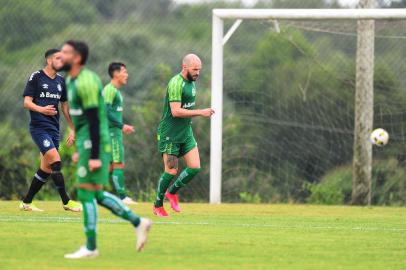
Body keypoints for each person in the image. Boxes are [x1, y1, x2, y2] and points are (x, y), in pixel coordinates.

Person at [61, 40, 151, 259]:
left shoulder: (87, 81)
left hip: (97, 144)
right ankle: (139, 223)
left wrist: (92, 154)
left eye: (65, 53)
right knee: (97, 194)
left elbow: (94, 118)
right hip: (88, 143)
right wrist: (81, 147)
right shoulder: (70, 81)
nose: (61, 56)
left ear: (78, 58)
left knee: (85, 191)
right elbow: (81, 120)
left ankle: (91, 247)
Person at [153, 54, 214, 217]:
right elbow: (176, 111)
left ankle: (172, 193)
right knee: (171, 171)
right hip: (169, 135)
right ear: (184, 67)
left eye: (199, 70)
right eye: (195, 69)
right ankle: (158, 205)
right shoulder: (176, 83)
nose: (198, 73)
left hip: (186, 133)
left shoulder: (192, 83)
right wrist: (200, 112)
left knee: (194, 167)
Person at [20, 48, 81, 212]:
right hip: (39, 128)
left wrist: (72, 129)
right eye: (58, 58)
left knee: (46, 169)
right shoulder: (36, 77)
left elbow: (65, 107)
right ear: (49, 60)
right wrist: (41, 110)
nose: (62, 61)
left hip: (54, 129)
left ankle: (27, 202)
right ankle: (66, 202)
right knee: (56, 161)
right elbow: (27, 102)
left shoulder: (61, 81)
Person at [102, 62, 137, 205]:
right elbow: (106, 110)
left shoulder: (115, 91)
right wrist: (121, 126)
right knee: (118, 164)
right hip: (112, 133)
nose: (126, 75)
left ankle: (92, 192)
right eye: (124, 72)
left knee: (109, 166)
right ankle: (123, 197)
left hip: (113, 132)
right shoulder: (110, 89)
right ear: (115, 74)